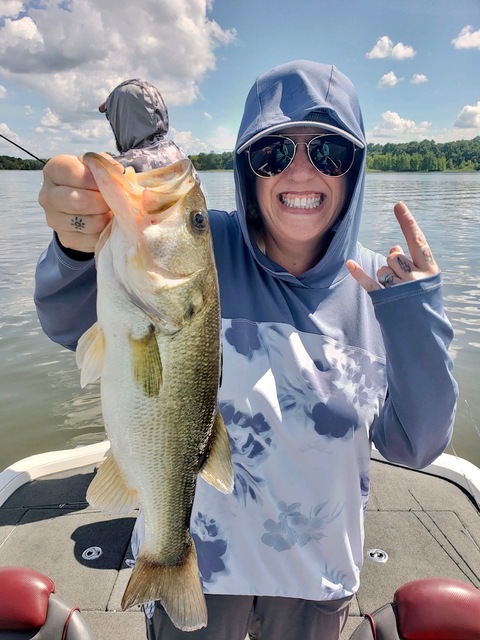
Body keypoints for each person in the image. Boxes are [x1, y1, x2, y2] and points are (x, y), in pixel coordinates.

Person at [34, 60, 458, 640]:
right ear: (247, 169)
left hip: (319, 584)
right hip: (199, 572)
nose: (301, 172)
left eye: (328, 153)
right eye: (274, 153)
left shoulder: (380, 291)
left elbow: (416, 445)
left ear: (354, 170)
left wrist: (417, 320)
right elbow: (67, 323)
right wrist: (76, 240)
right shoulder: (201, 244)